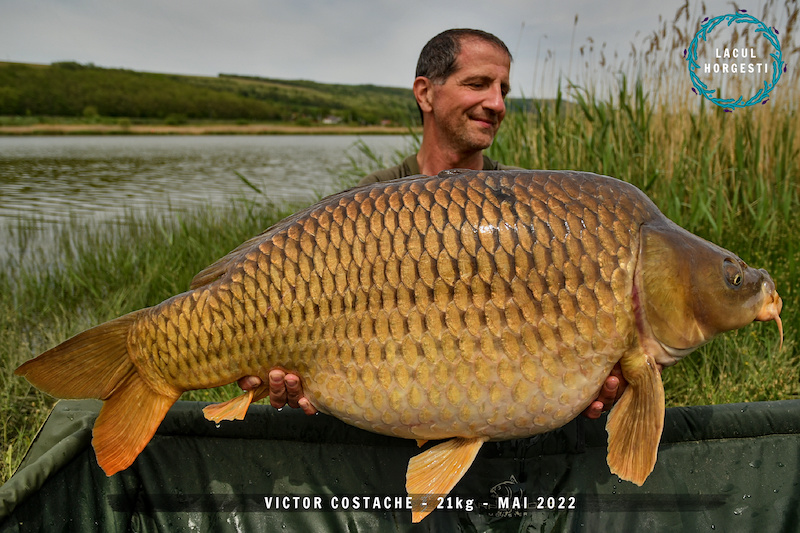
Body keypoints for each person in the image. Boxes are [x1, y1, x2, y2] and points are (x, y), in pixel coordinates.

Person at [238, 28, 626, 419]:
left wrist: (586, 375)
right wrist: (299, 375)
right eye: (477, 84)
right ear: (425, 93)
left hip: (493, 406)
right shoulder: (366, 201)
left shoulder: (522, 204)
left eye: (503, 90)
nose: (496, 103)